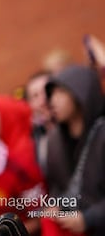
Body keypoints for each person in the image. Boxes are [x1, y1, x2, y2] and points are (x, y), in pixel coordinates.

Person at [42, 65, 105, 236]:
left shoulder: (102, 135)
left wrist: (88, 218)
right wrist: (56, 206)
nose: (53, 100)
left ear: (81, 92)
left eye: (61, 92)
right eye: (51, 94)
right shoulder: (54, 140)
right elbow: (57, 186)